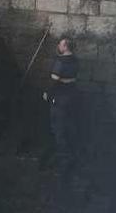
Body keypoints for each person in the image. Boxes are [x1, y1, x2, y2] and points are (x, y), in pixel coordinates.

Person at [43, 38, 79, 172]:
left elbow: (54, 82)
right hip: (72, 97)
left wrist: (47, 93)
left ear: (65, 47)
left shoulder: (60, 62)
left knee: (58, 126)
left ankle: (63, 157)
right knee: (70, 124)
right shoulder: (76, 61)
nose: (58, 45)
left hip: (60, 99)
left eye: (60, 44)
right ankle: (73, 152)